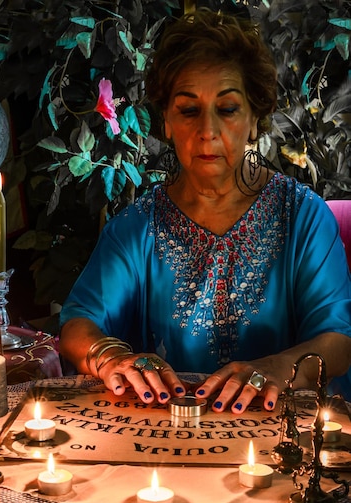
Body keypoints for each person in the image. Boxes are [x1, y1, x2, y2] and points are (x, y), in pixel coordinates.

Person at [59, 8, 351, 413]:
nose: (208, 131)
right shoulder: (138, 227)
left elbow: (338, 339)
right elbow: (78, 323)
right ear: (166, 122)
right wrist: (110, 355)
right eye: (189, 110)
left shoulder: (303, 218)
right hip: (165, 440)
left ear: (254, 120)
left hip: (284, 441)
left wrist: (277, 366)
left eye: (227, 109)